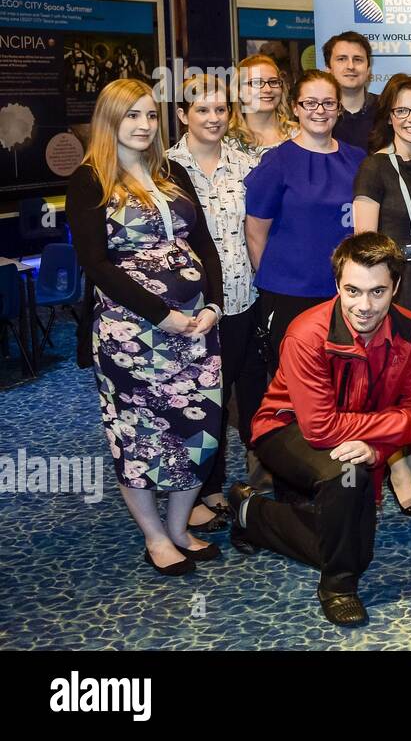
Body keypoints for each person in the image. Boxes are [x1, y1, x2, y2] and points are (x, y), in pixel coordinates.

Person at [227, 233, 411, 625]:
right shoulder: (307, 333)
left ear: (396, 288)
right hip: (285, 428)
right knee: (347, 479)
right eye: (352, 290)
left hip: (356, 439)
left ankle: (251, 513)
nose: (364, 305)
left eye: (377, 291)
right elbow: (320, 428)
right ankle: (338, 586)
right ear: (337, 285)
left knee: (358, 547)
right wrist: (383, 437)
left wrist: (377, 450)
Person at [67, 78, 224, 576]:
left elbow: (206, 243)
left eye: (151, 115)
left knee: (199, 430)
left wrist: (214, 305)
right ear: (110, 120)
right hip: (131, 336)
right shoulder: (90, 179)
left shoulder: (172, 169)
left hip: (197, 330)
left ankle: (179, 529)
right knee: (137, 436)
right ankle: (155, 537)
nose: (143, 125)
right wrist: (164, 315)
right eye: (131, 115)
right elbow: (96, 264)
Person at [167, 74, 262, 534]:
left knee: (242, 399)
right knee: (202, 403)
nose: (213, 118)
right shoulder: (161, 170)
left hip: (243, 301)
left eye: (221, 109)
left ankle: (241, 483)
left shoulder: (247, 165)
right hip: (187, 311)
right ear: (183, 115)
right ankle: (205, 487)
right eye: (202, 110)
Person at [353, 74, 411, 517]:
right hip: (393, 289)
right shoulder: (374, 166)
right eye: (403, 111)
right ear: (389, 117)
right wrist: (376, 295)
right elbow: (363, 241)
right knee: (397, 382)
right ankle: (399, 471)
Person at [244, 70, 366, 372]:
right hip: (290, 295)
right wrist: (278, 282)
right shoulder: (277, 162)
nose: (319, 111)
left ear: (339, 108)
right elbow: (255, 233)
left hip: (346, 293)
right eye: (310, 103)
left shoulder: (359, 159)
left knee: (345, 382)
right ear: (295, 108)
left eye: (328, 103)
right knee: (294, 387)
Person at [228, 54, 295, 156]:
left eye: (273, 82)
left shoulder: (300, 137)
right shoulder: (226, 145)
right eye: (256, 83)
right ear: (238, 91)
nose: (267, 90)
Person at [324, 32, 379, 150]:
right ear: (328, 69)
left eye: (358, 59)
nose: (351, 66)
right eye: (342, 59)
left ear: (368, 69)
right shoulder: (318, 113)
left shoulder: (386, 108)